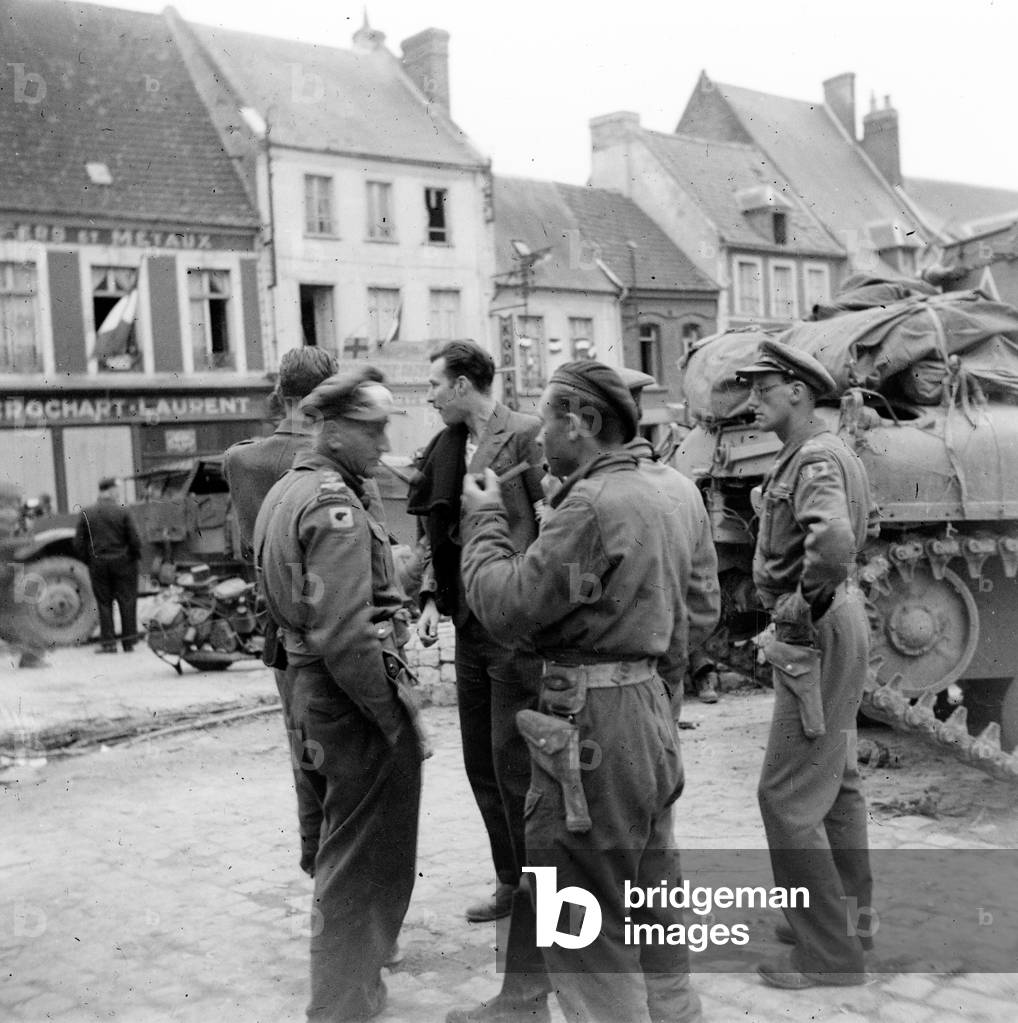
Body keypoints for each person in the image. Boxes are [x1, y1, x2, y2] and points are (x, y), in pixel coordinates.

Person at [458, 360, 719, 1023]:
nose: (540, 436)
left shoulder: (592, 504)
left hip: (590, 723)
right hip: (647, 712)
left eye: (548, 418)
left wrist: (485, 521)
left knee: (579, 918)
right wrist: (657, 698)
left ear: (584, 421)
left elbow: (510, 607)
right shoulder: (671, 489)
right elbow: (696, 612)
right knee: (654, 887)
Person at [254, 368, 423, 1022]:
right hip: (350, 698)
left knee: (337, 846)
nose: (385, 442)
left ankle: (356, 989)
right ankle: (341, 1003)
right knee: (358, 860)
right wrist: (391, 716)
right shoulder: (337, 503)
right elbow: (347, 632)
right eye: (372, 429)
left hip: (307, 688)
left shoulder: (287, 490)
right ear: (331, 427)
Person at [736, 339, 876, 989]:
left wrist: (799, 604)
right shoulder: (823, 449)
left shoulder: (814, 457)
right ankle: (846, 919)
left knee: (785, 796)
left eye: (764, 388)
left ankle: (829, 954)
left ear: (797, 390)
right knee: (837, 782)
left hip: (818, 629)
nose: (753, 399)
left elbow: (833, 543)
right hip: (840, 621)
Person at [409, 341, 546, 934]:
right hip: (468, 623)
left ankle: (537, 888)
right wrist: (433, 596)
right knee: (480, 761)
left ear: (464, 384)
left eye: (437, 383)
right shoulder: (445, 446)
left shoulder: (525, 433)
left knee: (515, 761)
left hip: (512, 623)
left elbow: (550, 520)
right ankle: (508, 879)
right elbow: (436, 531)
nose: (431, 394)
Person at [224, 346, 337, 876]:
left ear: (281, 394)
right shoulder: (338, 458)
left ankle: (316, 860)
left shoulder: (242, 460)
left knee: (305, 750)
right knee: (354, 760)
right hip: (341, 620)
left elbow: (245, 547)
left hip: (279, 626)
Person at [617, 366, 720, 705]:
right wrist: (672, 660)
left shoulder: (586, 495)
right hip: (664, 677)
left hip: (608, 690)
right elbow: (704, 602)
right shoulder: (683, 488)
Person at [74, 478, 142, 653]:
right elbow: (134, 539)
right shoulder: (123, 511)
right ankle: (128, 642)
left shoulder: (87, 512)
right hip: (124, 563)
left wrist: (88, 560)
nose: (117, 493)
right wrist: (133, 557)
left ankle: (109, 644)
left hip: (98, 564)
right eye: (116, 490)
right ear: (110, 491)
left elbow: (79, 543)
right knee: (127, 601)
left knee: (104, 603)